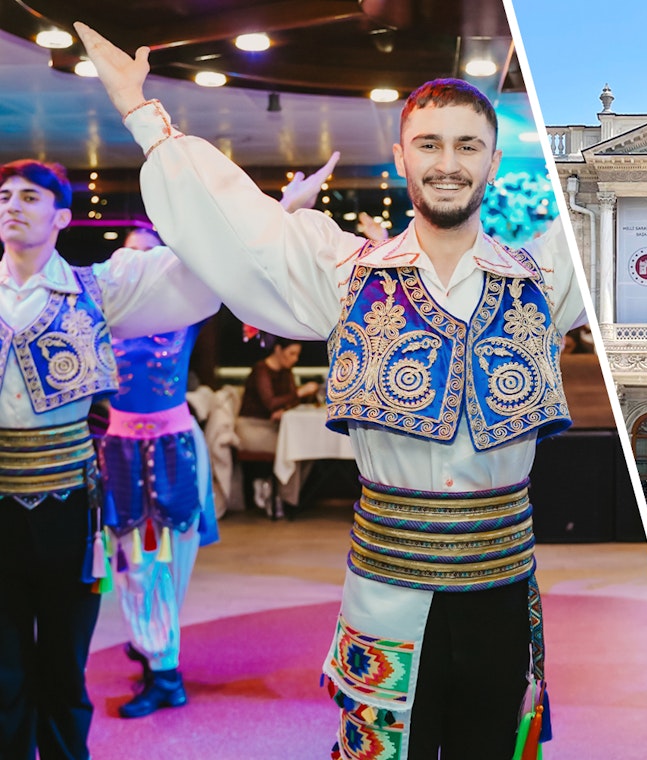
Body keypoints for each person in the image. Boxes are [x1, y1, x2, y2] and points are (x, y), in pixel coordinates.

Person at [80, 23, 585, 759]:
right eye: (430, 144)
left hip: (501, 594)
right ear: (402, 156)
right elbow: (240, 229)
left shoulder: (543, 278)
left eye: (467, 145)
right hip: (385, 596)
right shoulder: (346, 274)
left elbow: (629, 230)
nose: (448, 163)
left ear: (494, 161)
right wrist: (140, 109)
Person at [0, 159, 218, 760]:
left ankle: (162, 665)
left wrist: (278, 216)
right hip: (106, 457)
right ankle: (156, 662)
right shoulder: (104, 305)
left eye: (29, 196)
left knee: (153, 572)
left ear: (60, 217)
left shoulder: (106, 296)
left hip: (127, 470)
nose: (12, 205)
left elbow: (208, 270)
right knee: (9, 665)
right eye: (4, 195)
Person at [98, 228, 221, 719]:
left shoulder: (187, 314)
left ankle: (161, 661)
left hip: (175, 451)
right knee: (136, 563)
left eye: (149, 256)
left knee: (171, 563)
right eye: (128, 256)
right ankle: (158, 659)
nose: (138, 267)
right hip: (122, 451)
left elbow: (236, 265)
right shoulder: (99, 314)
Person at [236, 337, 320, 518]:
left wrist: (285, 406)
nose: (295, 359)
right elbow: (271, 403)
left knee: (309, 448)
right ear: (278, 349)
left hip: (275, 426)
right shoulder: (261, 370)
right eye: (292, 354)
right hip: (252, 428)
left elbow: (285, 403)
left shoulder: (286, 371)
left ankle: (280, 493)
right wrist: (299, 392)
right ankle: (280, 498)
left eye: (297, 355)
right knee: (296, 448)